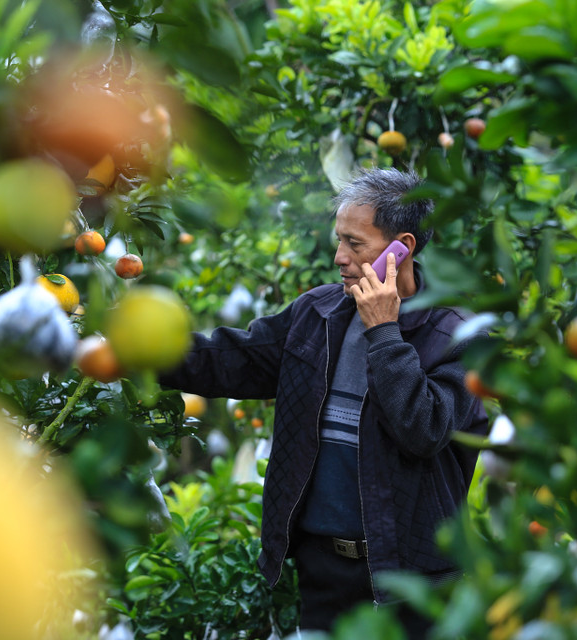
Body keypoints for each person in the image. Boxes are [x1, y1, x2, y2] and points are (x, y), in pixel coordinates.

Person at [159, 167, 490, 637]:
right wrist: (139, 350)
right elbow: (229, 359)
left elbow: (424, 428)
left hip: (412, 580)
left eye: (355, 243)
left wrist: (384, 331)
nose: (340, 257)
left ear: (403, 248)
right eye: (339, 241)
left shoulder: (457, 335)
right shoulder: (318, 313)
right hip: (323, 572)